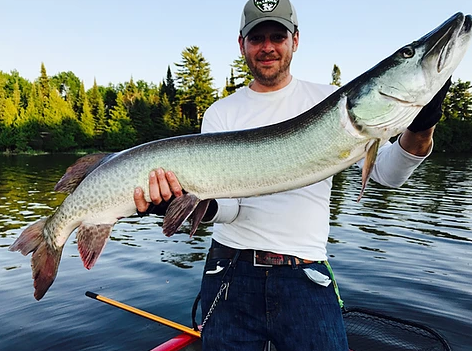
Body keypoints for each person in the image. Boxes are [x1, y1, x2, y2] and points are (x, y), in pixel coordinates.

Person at [134, 0, 451, 350]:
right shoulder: (222, 113)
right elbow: (230, 207)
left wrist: (422, 128)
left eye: (277, 36)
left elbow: (389, 174)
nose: (267, 47)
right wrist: (187, 205)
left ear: (295, 40)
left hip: (306, 277)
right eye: (256, 38)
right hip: (229, 271)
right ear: (242, 45)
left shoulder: (331, 101)